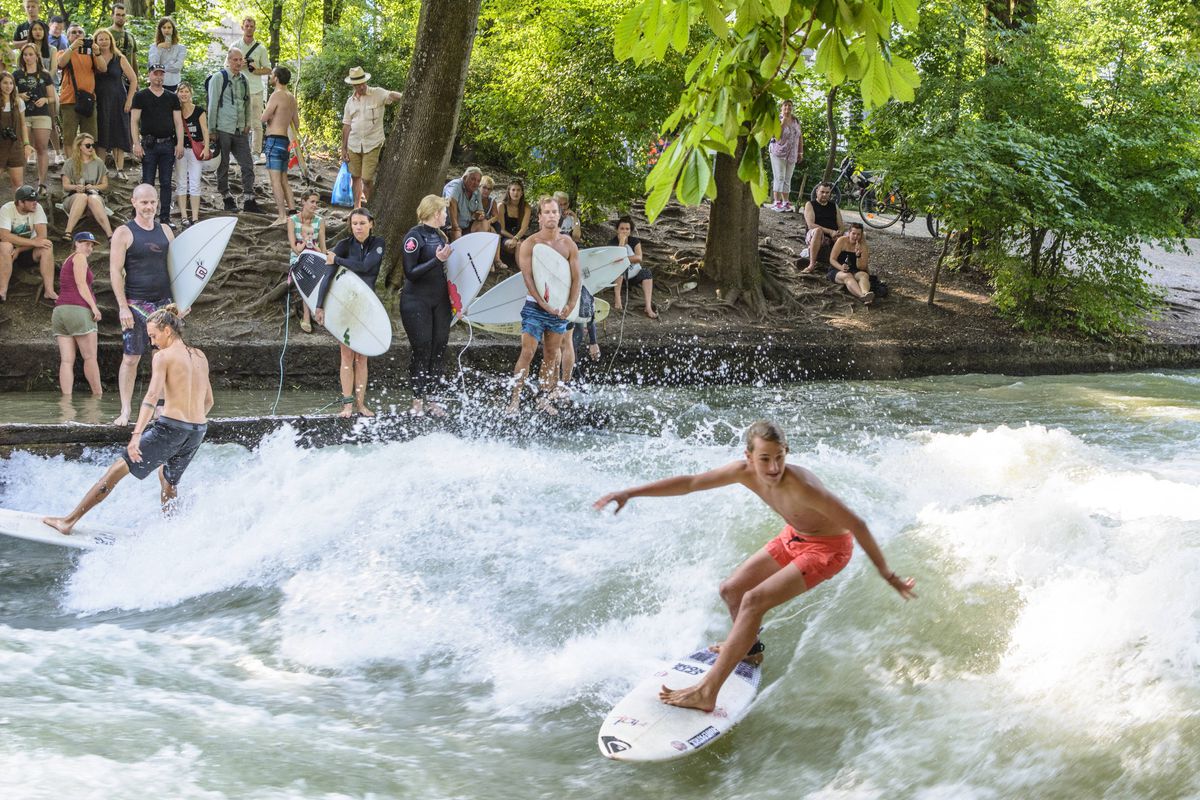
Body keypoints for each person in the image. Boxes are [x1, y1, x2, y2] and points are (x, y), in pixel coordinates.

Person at [593, 420, 916, 712]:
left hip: (828, 550)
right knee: (732, 590)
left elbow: (857, 524)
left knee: (753, 601)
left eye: (779, 457)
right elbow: (690, 483)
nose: (774, 467)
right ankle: (749, 650)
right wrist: (630, 492)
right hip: (795, 537)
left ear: (786, 452)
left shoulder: (802, 487)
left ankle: (707, 692)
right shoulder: (741, 472)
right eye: (764, 459)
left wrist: (887, 574)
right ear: (748, 457)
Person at [43, 304, 212, 537]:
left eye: (153, 336)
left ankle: (68, 522)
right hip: (197, 430)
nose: (152, 342)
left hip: (171, 428)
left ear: (167, 331)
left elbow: (151, 397)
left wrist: (136, 436)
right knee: (168, 479)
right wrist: (189, 422)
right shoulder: (200, 355)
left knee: (116, 471)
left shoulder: (163, 356)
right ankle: (173, 534)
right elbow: (209, 401)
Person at [505, 196, 581, 416]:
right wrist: (543, 304)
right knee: (527, 352)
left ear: (560, 215)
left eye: (554, 212)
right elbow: (528, 279)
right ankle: (515, 399)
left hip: (559, 309)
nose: (550, 216)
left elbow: (576, 279)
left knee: (551, 354)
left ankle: (543, 397)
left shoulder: (568, 244)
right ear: (539, 217)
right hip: (534, 308)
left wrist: (570, 305)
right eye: (546, 212)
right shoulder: (530, 243)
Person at [110, 183, 176, 426]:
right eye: (144, 202)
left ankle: (160, 406)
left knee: (164, 357)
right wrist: (122, 307)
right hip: (135, 304)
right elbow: (116, 272)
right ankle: (126, 410)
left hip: (164, 305)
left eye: (152, 202)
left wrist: (182, 301)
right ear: (133, 202)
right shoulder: (124, 233)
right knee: (131, 358)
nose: (149, 207)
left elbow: (176, 269)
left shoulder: (167, 231)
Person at [315, 207, 383, 418]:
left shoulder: (378, 244)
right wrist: (319, 305)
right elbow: (327, 276)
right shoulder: (343, 246)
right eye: (354, 224)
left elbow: (365, 267)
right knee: (346, 355)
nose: (358, 227)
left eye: (362, 223)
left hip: (366, 306)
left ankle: (361, 404)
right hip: (345, 305)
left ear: (371, 224)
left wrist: (336, 259)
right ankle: (347, 405)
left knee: (361, 357)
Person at [399, 195, 454, 416]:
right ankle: (417, 401)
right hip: (416, 301)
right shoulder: (414, 237)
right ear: (435, 213)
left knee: (438, 350)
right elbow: (410, 273)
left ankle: (433, 399)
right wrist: (436, 260)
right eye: (444, 212)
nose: (447, 215)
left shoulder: (441, 236)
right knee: (422, 350)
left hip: (439, 301)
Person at [130, 62, 183, 227]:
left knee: (166, 182)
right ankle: (144, 218)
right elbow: (134, 121)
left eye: (161, 74)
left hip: (167, 144)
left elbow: (178, 122)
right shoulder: (140, 96)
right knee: (147, 182)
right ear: (149, 75)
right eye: (155, 74)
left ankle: (165, 218)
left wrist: (180, 144)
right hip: (149, 145)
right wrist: (136, 144)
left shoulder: (172, 97)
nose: (158, 77)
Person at [207, 48, 260, 213]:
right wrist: (211, 129)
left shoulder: (244, 79)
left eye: (240, 60)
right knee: (223, 165)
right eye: (235, 60)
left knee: (247, 164)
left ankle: (249, 199)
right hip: (222, 128)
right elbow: (213, 104)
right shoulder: (218, 78)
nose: (238, 63)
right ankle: (226, 197)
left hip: (240, 130)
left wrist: (247, 123)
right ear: (229, 61)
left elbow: (247, 103)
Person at [340, 66, 401, 207]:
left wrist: (406, 96)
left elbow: (391, 95)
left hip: (372, 143)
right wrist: (343, 148)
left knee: (366, 178)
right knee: (355, 177)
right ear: (353, 85)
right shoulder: (350, 102)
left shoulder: (377, 93)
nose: (361, 86)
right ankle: (357, 207)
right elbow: (346, 126)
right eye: (358, 84)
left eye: (363, 83)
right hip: (353, 144)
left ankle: (371, 207)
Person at [52, 231, 102, 396]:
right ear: (76, 243)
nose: (90, 248)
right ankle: (98, 397)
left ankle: (66, 403)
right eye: (86, 243)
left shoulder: (67, 260)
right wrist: (94, 307)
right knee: (90, 357)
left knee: (66, 361)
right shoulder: (79, 257)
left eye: (92, 245)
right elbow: (81, 285)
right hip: (78, 309)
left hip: (60, 312)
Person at [91, 27, 137, 179]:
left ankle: (120, 170)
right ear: (95, 42)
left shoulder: (120, 58)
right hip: (100, 101)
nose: (103, 42)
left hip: (119, 100)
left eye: (106, 38)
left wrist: (130, 99)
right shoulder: (92, 57)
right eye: (100, 39)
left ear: (111, 40)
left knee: (119, 133)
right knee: (102, 134)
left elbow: (133, 79)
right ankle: (100, 170)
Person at [0, 184, 54, 301]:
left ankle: (49, 291)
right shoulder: (7, 209)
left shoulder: (37, 208)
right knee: (5, 245)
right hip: (6, 254)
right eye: (30, 200)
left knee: (47, 246)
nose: (35, 203)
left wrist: (19, 249)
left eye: (35, 200)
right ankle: (2, 291)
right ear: (20, 202)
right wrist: (33, 243)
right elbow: (4, 236)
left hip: (26, 251)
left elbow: (42, 237)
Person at [260, 65, 298, 225]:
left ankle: (282, 216)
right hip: (285, 141)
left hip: (273, 140)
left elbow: (264, 117)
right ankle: (293, 213)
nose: (270, 77)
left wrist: (268, 116)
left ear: (276, 78)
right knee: (284, 180)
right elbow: (296, 123)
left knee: (275, 181)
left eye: (271, 74)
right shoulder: (291, 97)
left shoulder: (276, 95)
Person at [14, 44, 53, 194]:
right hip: (24, 116)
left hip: (42, 114)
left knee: (42, 148)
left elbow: (52, 98)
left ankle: (42, 184)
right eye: (25, 55)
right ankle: (21, 186)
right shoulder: (17, 74)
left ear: (37, 56)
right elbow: (9, 94)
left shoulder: (44, 74)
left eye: (30, 54)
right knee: (24, 149)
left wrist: (45, 100)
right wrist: (19, 96)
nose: (28, 57)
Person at [287, 189, 325, 333]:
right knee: (307, 277)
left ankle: (317, 311)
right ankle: (307, 316)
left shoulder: (320, 221)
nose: (315, 205)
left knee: (322, 275)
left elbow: (323, 246)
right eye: (312, 202)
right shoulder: (292, 220)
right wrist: (304, 246)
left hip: (315, 256)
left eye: (316, 202)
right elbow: (294, 247)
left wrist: (320, 254)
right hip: (298, 257)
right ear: (303, 201)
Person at [61, 133, 113, 238]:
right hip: (73, 197)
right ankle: (68, 232)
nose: (91, 148)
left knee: (92, 198)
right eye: (88, 145)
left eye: (92, 145)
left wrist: (93, 187)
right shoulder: (69, 163)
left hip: (94, 196)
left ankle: (110, 235)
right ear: (79, 146)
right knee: (82, 196)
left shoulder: (99, 162)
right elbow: (65, 185)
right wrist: (76, 187)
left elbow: (105, 184)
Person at [56, 22, 97, 154]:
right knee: (69, 138)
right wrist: (72, 48)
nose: (77, 34)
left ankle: (88, 168)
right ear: (67, 37)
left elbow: (103, 68)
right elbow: (61, 63)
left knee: (89, 138)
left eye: (80, 32)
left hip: (89, 100)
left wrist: (97, 52)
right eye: (73, 32)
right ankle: (70, 169)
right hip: (69, 101)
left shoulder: (91, 54)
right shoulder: (62, 52)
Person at [235, 16, 270, 159]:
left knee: (256, 123)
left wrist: (255, 70)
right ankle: (239, 152)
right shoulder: (235, 47)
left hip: (256, 90)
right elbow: (226, 67)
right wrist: (239, 65)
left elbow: (268, 69)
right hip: (238, 90)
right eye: (247, 26)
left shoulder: (261, 48)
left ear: (255, 28)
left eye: (251, 26)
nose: (249, 28)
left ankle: (255, 152)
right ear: (242, 27)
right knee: (238, 123)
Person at [173, 82, 208, 228]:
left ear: (191, 93)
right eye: (181, 91)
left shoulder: (199, 111)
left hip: (195, 150)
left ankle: (195, 216)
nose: (184, 94)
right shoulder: (175, 111)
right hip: (180, 149)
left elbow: (205, 130)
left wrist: (206, 148)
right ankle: (183, 216)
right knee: (181, 182)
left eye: (186, 91)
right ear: (177, 93)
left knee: (195, 183)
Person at [609, 216, 657, 319]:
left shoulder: (634, 241)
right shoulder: (612, 243)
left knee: (646, 273)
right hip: (618, 278)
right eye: (622, 228)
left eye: (627, 229)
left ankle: (648, 307)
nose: (624, 231)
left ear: (630, 231)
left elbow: (639, 258)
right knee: (619, 268)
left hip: (633, 274)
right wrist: (622, 242)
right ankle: (618, 298)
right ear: (617, 230)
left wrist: (624, 258)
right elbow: (616, 259)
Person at [0, 71, 33, 196]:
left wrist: (26, 144)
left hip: (15, 146)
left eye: (11, 83)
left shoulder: (18, 102)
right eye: (4, 83)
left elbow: (23, 124)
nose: (8, 86)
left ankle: (18, 213)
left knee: (18, 185)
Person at [767, 100, 803, 212]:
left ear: (792, 108)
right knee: (779, 177)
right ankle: (776, 202)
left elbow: (800, 137)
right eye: (785, 105)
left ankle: (785, 202)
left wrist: (800, 152)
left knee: (788, 178)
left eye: (790, 105)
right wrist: (783, 122)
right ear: (781, 108)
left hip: (792, 154)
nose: (788, 107)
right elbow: (774, 135)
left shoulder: (796, 120)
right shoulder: (777, 119)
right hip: (778, 152)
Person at [800, 181, 843, 273]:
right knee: (818, 230)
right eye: (822, 192)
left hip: (833, 235)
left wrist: (838, 233)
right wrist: (830, 232)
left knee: (857, 234)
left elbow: (841, 226)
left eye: (827, 193)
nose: (824, 195)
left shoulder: (834, 206)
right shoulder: (810, 204)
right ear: (817, 192)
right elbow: (811, 225)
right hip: (815, 234)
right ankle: (811, 265)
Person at [827, 222, 874, 304]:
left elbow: (862, 267)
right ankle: (862, 296)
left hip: (854, 270)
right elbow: (832, 259)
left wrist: (858, 256)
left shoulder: (863, 246)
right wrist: (841, 267)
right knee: (847, 276)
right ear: (849, 233)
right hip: (837, 269)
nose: (855, 236)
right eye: (853, 233)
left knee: (864, 275)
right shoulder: (841, 241)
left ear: (861, 235)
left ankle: (866, 293)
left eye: (858, 234)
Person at [442, 166, 485, 241]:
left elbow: (480, 211)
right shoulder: (455, 185)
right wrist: (455, 228)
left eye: (478, 181)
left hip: (467, 225)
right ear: (465, 178)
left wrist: (480, 215)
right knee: (457, 234)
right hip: (450, 226)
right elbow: (451, 203)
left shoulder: (476, 191)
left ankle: (475, 250)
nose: (476, 183)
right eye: (473, 179)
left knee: (485, 224)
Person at [495, 178, 528, 270]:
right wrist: (514, 239)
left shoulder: (526, 207)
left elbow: (524, 228)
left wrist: (516, 238)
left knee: (526, 246)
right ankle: (522, 271)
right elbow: (501, 229)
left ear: (522, 193)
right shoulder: (501, 206)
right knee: (517, 245)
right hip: (505, 237)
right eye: (513, 190)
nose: (516, 193)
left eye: (518, 190)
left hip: (519, 235)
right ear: (508, 191)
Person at [147, 17, 186, 93]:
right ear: (160, 29)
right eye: (164, 27)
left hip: (174, 83)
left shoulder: (181, 48)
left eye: (169, 27)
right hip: (157, 83)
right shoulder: (154, 47)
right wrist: (159, 49)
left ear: (173, 29)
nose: (166, 30)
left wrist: (161, 68)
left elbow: (177, 67)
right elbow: (153, 65)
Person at [109, 2, 138, 73]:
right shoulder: (105, 33)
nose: (121, 18)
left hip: (127, 77)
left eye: (123, 15)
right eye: (118, 15)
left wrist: (136, 80)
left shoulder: (130, 36)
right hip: (110, 76)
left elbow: (134, 60)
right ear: (112, 15)